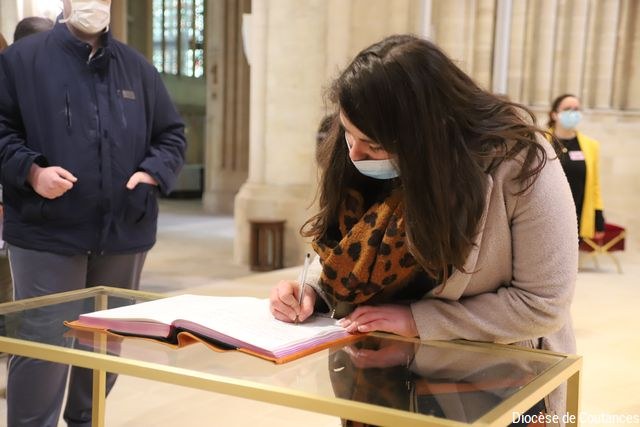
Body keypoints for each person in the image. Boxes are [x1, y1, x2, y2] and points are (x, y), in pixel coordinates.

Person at [270, 34, 577, 421]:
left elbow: (542, 304)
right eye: (348, 132)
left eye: (373, 145)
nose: (355, 152)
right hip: (374, 383)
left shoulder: (521, 162)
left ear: (425, 136)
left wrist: (418, 323)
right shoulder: (362, 150)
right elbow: (348, 245)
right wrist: (313, 289)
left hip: (491, 387)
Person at [0, 0, 186, 425]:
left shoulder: (138, 69)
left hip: (123, 231)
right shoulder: (21, 62)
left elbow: (171, 135)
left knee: (104, 343)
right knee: (44, 345)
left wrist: (153, 172)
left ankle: (86, 419)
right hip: (47, 232)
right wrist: (32, 171)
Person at [548, 94, 605, 241]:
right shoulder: (541, 141)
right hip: (547, 215)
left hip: (577, 216)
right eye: (567, 108)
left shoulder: (590, 145)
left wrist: (598, 216)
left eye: (576, 109)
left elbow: (594, 185)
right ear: (554, 114)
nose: (572, 113)